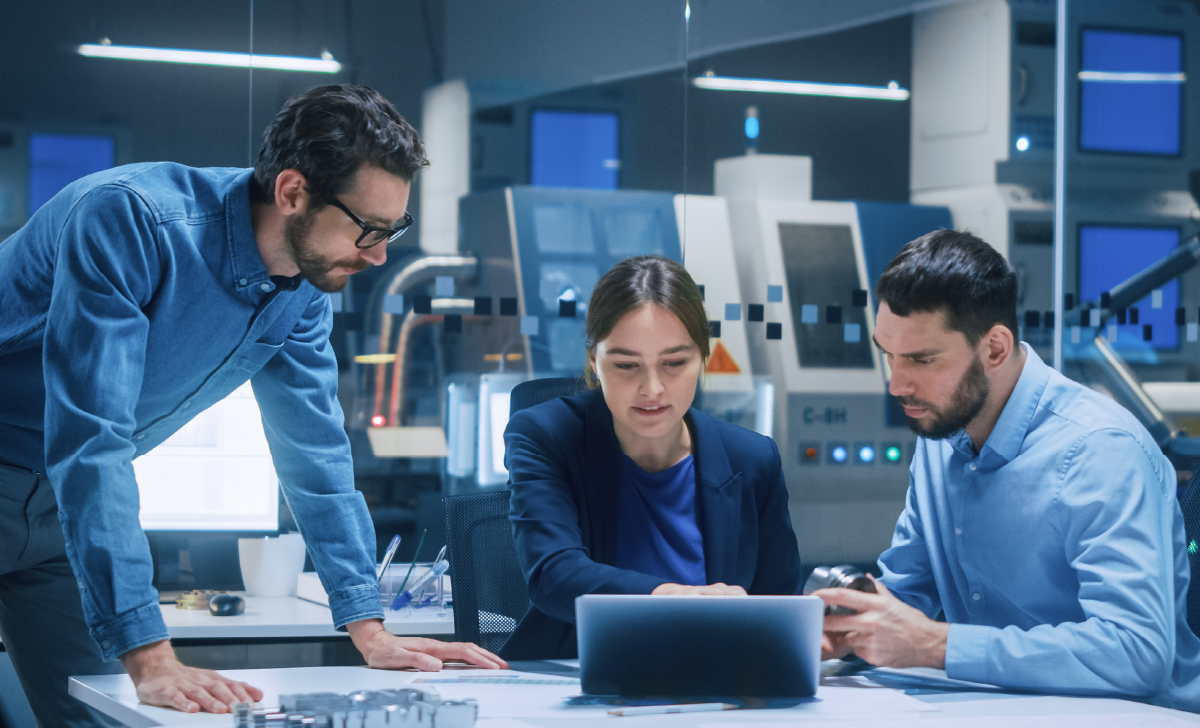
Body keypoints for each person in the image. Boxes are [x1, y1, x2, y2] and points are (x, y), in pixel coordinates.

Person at [0, 84, 505, 728]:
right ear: (292, 191)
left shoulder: (302, 292)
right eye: (369, 230)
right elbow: (91, 439)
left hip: (57, 517)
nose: (379, 256)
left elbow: (316, 454)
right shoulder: (131, 220)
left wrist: (368, 625)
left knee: (105, 718)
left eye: (393, 229)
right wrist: (152, 654)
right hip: (55, 469)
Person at [814, 229, 1200, 711]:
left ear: (995, 348)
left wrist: (938, 645)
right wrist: (842, 627)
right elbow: (907, 593)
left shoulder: (1100, 451)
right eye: (888, 355)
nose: (897, 385)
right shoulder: (941, 435)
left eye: (922, 360)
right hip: (992, 708)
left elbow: (1137, 653)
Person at [502, 255, 802, 659]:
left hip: (718, 688)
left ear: (703, 357)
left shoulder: (752, 459)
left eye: (675, 363)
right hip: (585, 680)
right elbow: (554, 575)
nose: (653, 388)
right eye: (626, 365)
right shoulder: (545, 436)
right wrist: (674, 598)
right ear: (594, 360)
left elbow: (779, 608)